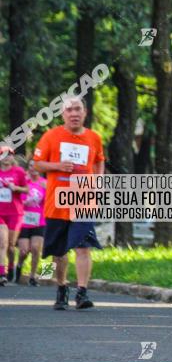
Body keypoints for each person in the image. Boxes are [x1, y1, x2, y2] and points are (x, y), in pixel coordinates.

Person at [33, 96, 105, 310]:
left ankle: (82, 292)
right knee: (60, 251)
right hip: (57, 203)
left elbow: (100, 160)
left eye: (78, 109)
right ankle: (62, 286)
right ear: (62, 114)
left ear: (85, 112)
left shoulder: (94, 137)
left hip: (83, 200)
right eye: (69, 110)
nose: (74, 113)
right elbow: (37, 165)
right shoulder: (51, 136)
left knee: (83, 247)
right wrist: (57, 166)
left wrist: (98, 181)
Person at [16, 159, 47, 286]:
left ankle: (33, 276)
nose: (33, 168)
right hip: (24, 220)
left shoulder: (45, 183)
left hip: (39, 220)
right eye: (30, 166)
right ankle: (19, 265)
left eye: (36, 166)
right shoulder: (24, 182)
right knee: (24, 250)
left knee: (35, 248)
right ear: (28, 168)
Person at [0, 146, 28, 285]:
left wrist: (16, 188)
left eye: (9, 154)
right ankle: (2, 273)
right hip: (0, 212)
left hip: (15, 212)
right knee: (2, 242)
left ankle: (11, 266)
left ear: (13, 156)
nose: (6, 157)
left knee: (11, 245)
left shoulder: (19, 172)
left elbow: (27, 189)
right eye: (3, 154)